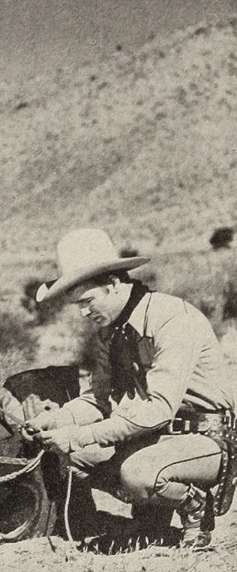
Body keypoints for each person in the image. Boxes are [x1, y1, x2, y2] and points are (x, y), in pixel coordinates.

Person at [25, 228, 236, 548]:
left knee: (137, 474)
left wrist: (78, 434)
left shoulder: (171, 320)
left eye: (87, 301)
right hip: (156, 436)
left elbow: (158, 409)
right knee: (77, 459)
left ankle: (196, 508)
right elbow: (98, 399)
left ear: (112, 286)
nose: (83, 312)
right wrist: (58, 420)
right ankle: (152, 519)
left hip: (207, 438)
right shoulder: (111, 333)